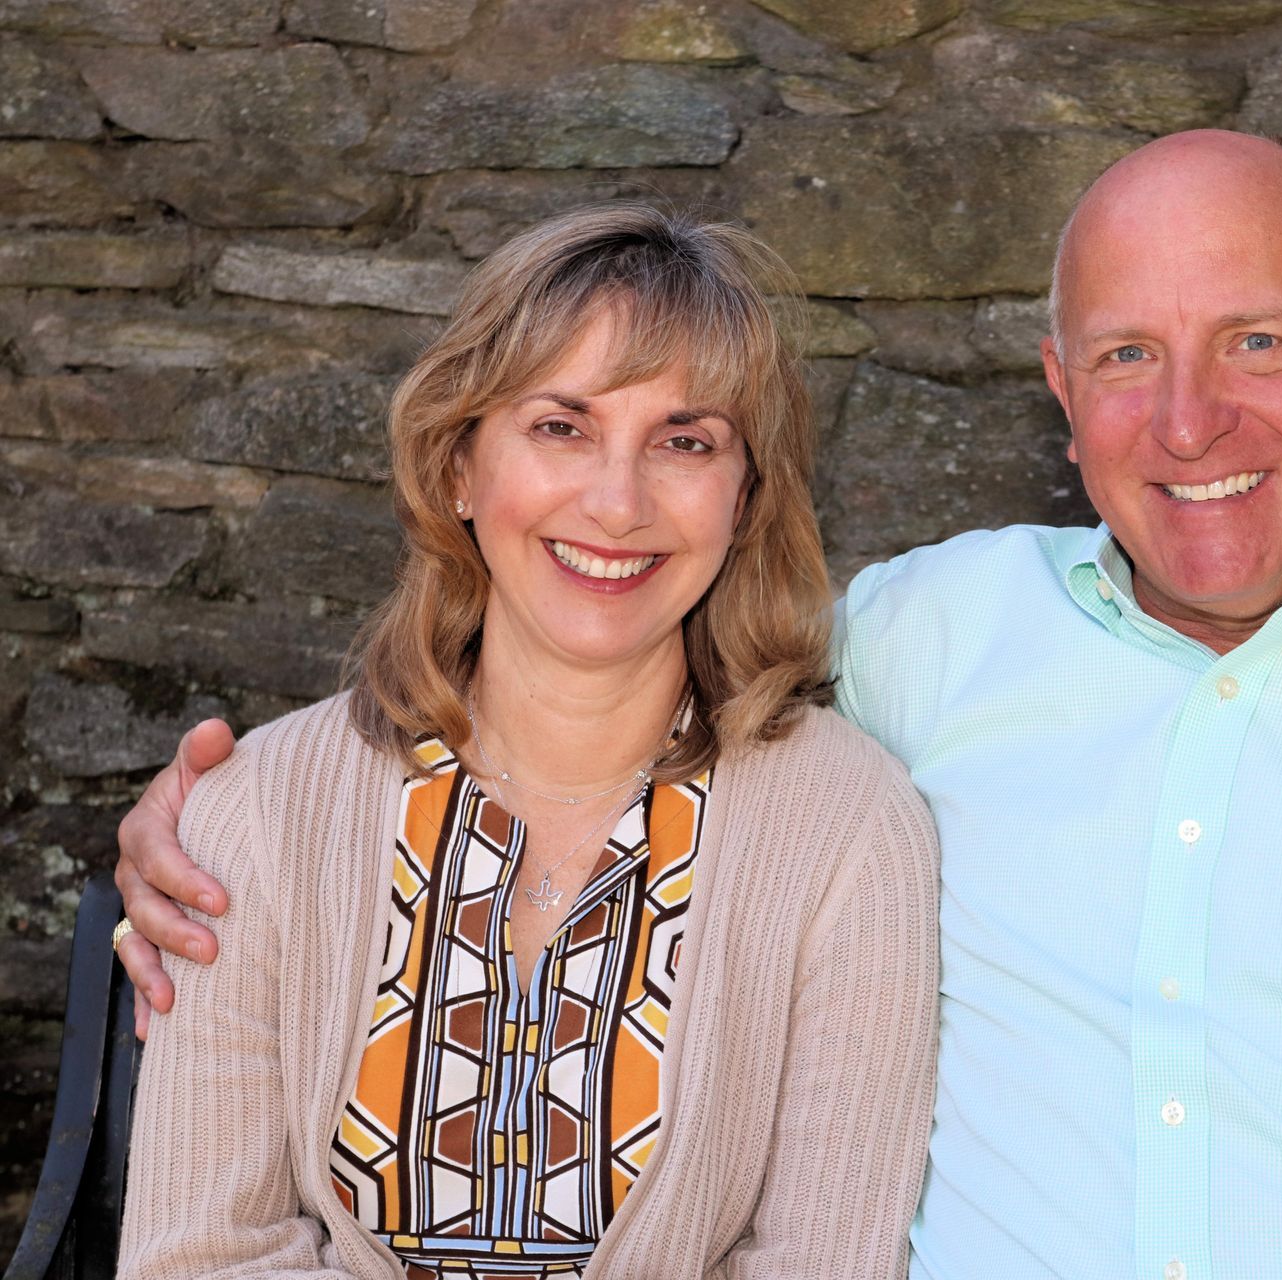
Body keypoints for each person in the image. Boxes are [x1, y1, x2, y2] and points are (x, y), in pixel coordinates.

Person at [114, 131, 1282, 1278]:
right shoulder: (927, 643)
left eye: (1259, 342)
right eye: (1130, 357)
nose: (1190, 423)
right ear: (1062, 392)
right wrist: (206, 828)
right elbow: (591, 650)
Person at [114, 203, 939, 1279]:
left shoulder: (847, 830)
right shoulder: (263, 811)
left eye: (685, 442)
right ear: (458, 465)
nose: (618, 502)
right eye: (562, 427)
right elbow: (195, 1257)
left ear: (744, 500)